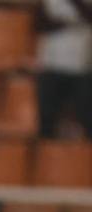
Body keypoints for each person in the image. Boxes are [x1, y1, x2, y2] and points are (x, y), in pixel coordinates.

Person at [35, 0, 92, 139]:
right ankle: (48, 157)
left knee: (87, 118)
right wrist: (67, 24)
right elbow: (38, 24)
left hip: (82, 67)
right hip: (51, 66)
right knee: (47, 119)